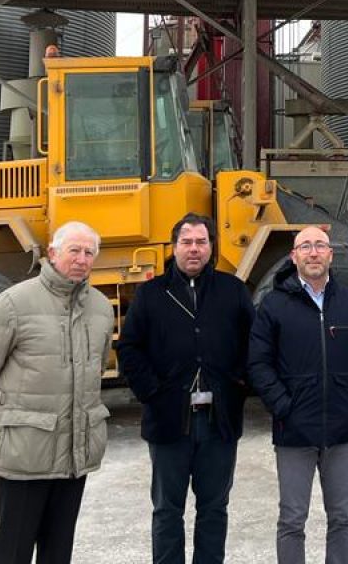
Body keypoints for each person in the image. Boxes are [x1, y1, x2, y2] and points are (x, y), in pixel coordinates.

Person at [0, 220, 114, 564]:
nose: (81, 259)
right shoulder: (13, 304)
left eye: (89, 252)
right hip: (25, 457)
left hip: (74, 456)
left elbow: (96, 369)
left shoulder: (101, 309)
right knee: (12, 551)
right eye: (73, 250)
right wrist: (9, 425)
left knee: (58, 552)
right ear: (52, 253)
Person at [117, 213, 254, 564]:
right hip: (168, 422)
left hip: (219, 421)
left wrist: (239, 384)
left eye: (201, 242)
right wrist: (153, 392)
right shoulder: (150, 294)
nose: (194, 249)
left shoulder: (233, 290)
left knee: (214, 509)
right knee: (166, 510)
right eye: (187, 242)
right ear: (174, 246)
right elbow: (129, 349)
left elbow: (254, 344)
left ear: (211, 247)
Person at [247, 226, 348, 564]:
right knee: (292, 520)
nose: (313, 252)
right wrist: (282, 406)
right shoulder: (274, 306)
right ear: (294, 256)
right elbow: (259, 363)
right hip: (294, 432)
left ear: (331, 254)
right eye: (305, 246)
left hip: (340, 430)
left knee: (342, 517)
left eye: (320, 245)